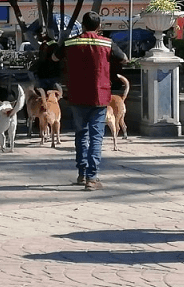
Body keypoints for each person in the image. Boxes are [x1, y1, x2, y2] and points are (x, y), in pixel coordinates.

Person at [52, 11, 128, 191]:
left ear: (83, 26)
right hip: (100, 96)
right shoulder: (107, 43)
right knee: (96, 137)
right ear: (99, 26)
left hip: (77, 95)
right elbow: (124, 58)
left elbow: (55, 57)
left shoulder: (70, 42)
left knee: (81, 135)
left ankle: (81, 173)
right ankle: (92, 178)